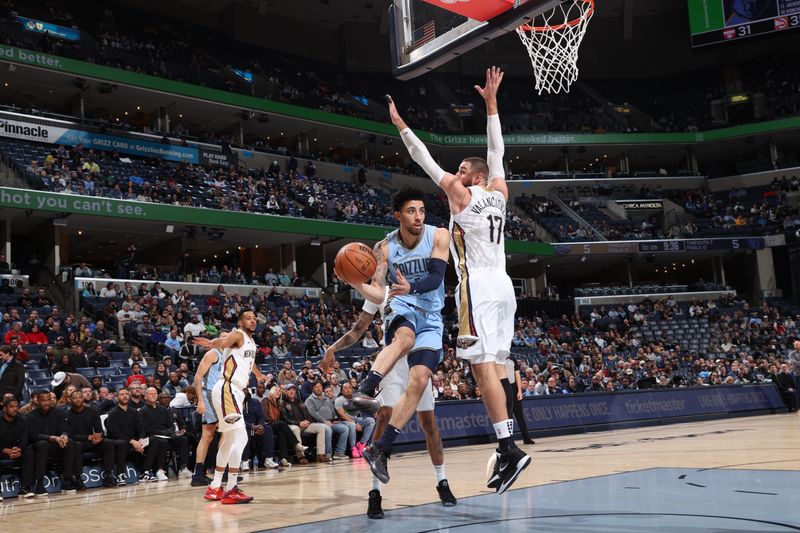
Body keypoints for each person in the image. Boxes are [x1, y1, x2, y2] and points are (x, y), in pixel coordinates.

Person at [387, 67, 530, 494]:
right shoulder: (501, 193)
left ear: (473, 176)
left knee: (482, 366)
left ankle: (509, 449)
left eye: (461, 168)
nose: (455, 172)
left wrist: (402, 126)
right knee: (496, 366)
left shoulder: (463, 194)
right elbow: (498, 150)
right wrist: (491, 105)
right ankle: (508, 449)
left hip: (479, 288)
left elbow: (423, 159)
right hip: (506, 287)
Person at [340, 186, 451, 492]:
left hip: (431, 317)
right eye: (412, 211)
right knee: (403, 340)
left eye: (422, 211)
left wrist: (410, 287)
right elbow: (378, 293)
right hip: (401, 308)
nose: (418, 216)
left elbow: (436, 278)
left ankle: (380, 448)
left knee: (419, 380)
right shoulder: (384, 247)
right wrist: (357, 282)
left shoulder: (438, 235)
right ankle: (363, 391)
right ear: (398, 215)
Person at [325, 289, 456, 519]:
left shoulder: (420, 282)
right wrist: (333, 348)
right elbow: (357, 330)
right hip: (393, 363)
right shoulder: (378, 292)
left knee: (429, 423)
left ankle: (442, 481)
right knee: (383, 418)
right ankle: (374, 494)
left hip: (420, 359)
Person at [192, 311, 271, 504]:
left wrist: (259, 376)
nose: (252, 320)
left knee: (228, 439)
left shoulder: (251, 342)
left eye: (254, 318)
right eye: (248, 318)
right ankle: (231, 488)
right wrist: (211, 343)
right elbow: (223, 342)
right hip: (227, 388)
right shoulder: (237, 334)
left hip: (233, 391)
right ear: (240, 321)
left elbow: (248, 362)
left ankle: (215, 488)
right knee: (241, 436)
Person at [65, 389, 127, 488]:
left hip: (91, 442)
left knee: (108, 443)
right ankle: (78, 478)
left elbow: (99, 431)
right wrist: (88, 437)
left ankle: (108, 475)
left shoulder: (92, 411)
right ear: (70, 400)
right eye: (75, 398)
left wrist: (99, 437)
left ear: (83, 399)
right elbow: (69, 435)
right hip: (78, 442)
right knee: (77, 445)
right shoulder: (67, 414)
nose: (78, 400)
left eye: (80, 397)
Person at [26, 390, 82, 493]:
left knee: (69, 442)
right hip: (40, 445)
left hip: (56, 444)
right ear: (37, 401)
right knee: (42, 444)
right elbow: (34, 436)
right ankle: (40, 483)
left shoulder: (59, 412)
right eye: (43, 400)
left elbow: (64, 429)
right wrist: (52, 438)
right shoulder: (30, 416)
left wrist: (64, 435)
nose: (47, 403)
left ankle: (66, 481)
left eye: (48, 399)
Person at [192, 347, 222, 486]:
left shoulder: (228, 355)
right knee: (225, 431)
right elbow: (197, 377)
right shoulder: (213, 353)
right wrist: (201, 401)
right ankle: (223, 472)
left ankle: (198, 475)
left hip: (218, 395)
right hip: (209, 394)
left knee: (208, 436)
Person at [105, 387, 146, 486]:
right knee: (122, 443)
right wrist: (132, 441)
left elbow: (141, 428)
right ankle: (120, 474)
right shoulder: (112, 413)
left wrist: (141, 439)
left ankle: (146, 471)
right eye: (122, 394)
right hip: (118, 440)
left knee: (151, 441)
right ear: (116, 397)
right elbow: (115, 433)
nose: (124, 396)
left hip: (134, 441)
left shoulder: (134, 412)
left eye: (126, 394)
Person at [262, 385, 308, 466]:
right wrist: (276, 422)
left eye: (279, 391)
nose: (278, 392)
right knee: (282, 423)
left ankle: (284, 458)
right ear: (271, 391)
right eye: (276, 390)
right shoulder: (266, 400)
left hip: (275, 425)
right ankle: (296, 444)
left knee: (282, 433)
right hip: (267, 425)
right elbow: (265, 416)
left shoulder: (278, 403)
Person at [0, 397, 35, 497]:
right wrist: (4, 450)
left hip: (16, 450)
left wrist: (19, 449)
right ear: (5, 408)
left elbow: (25, 437)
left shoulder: (22, 419)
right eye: (11, 407)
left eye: (17, 406)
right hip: (2, 450)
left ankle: (25, 487)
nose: (15, 409)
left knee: (29, 451)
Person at [138, 387, 172, 482]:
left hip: (163, 436)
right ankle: (150, 470)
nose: (153, 395)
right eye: (150, 394)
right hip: (147, 437)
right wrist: (161, 432)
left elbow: (170, 425)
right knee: (158, 441)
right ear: (145, 397)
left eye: (155, 393)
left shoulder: (163, 409)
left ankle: (183, 468)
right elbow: (145, 429)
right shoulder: (143, 411)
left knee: (183, 439)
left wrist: (168, 432)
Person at [499, 356, 534, 444]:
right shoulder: (498, 358)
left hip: (514, 387)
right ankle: (509, 439)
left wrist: (519, 391)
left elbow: (517, 375)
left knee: (520, 415)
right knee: (508, 416)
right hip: (503, 388)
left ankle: (526, 438)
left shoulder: (512, 358)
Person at [241, 388, 278, 469]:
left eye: (245, 389)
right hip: (242, 426)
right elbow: (239, 419)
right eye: (242, 389)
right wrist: (252, 427)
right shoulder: (235, 402)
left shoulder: (255, 402)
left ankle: (268, 459)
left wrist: (260, 425)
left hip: (256, 426)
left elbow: (261, 416)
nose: (244, 391)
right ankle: (244, 461)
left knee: (268, 429)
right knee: (245, 431)